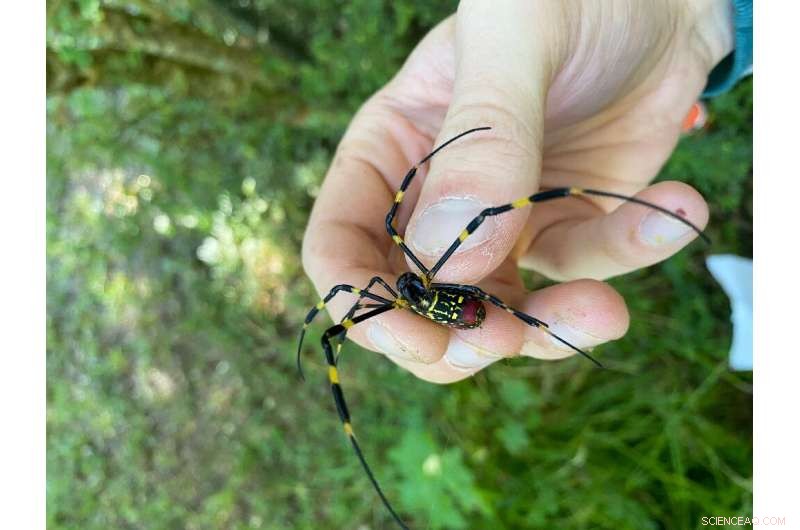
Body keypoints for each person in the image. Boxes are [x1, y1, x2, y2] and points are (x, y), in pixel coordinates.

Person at [302, 0, 753, 384]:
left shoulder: (416, 277)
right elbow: (346, 292)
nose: (398, 281)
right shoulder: (401, 293)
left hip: (460, 303)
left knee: (472, 228)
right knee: (470, 308)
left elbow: (470, 218)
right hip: (460, 310)